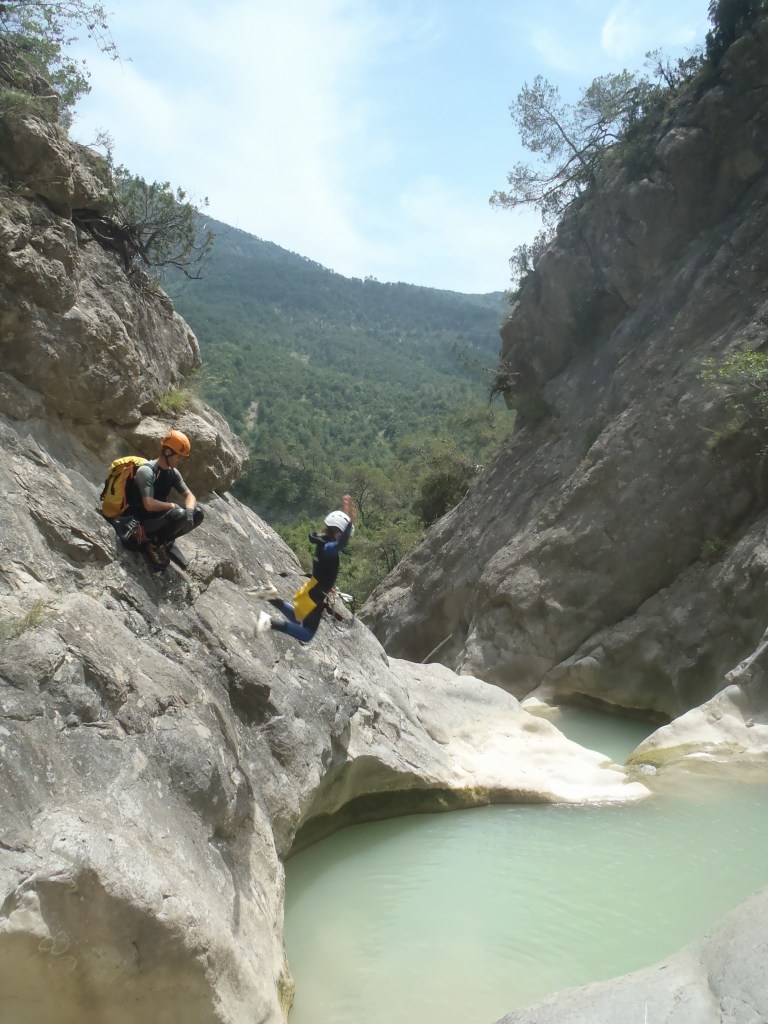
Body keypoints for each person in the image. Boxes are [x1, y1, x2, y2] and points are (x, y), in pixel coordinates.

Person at [252, 495, 356, 642]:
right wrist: (350, 522)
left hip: (312, 588)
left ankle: (269, 596)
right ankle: (267, 621)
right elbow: (341, 544)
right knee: (307, 634)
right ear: (338, 533)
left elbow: (324, 569)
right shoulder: (328, 548)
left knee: (297, 617)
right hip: (315, 595)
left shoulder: (323, 542)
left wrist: (328, 586)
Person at [117, 430, 204, 568]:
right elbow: (148, 504)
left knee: (197, 513)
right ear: (168, 452)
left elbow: (190, 496)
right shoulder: (147, 471)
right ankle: (153, 545)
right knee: (178, 513)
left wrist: (189, 512)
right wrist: (172, 506)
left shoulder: (172, 473)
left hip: (157, 518)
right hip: (141, 520)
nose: (181, 461)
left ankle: (163, 541)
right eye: (179, 456)